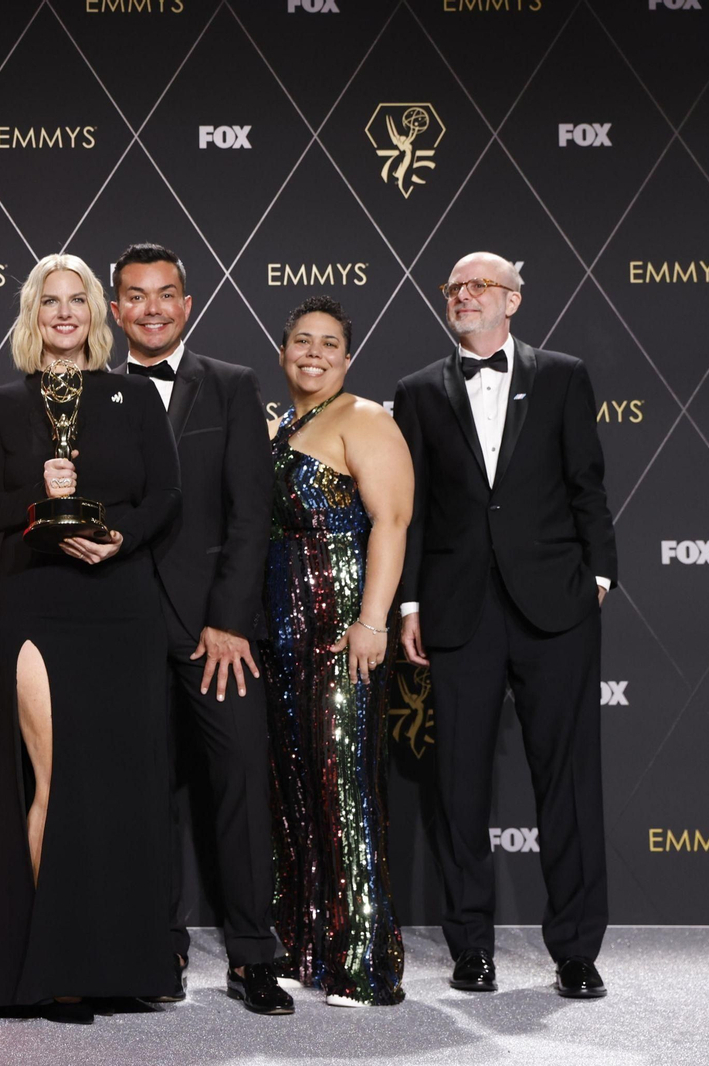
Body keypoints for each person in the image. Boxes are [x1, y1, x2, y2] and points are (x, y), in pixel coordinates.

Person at [0, 253, 181, 1024]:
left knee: (115, 789)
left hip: (120, 608)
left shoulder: (133, 396)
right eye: (49, 301)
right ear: (32, 314)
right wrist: (36, 499)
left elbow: (165, 495)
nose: (64, 313)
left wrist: (117, 536)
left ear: (97, 313)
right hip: (37, 604)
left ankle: (116, 963)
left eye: (77, 300)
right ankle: (52, 963)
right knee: (53, 779)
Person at [393, 252, 616, 1000]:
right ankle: (471, 948)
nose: (463, 296)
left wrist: (602, 574)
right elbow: (413, 508)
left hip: (556, 603)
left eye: (478, 286)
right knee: (459, 784)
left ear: (513, 300)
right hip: (458, 608)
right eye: (454, 287)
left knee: (570, 781)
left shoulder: (563, 374)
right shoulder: (418, 390)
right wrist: (411, 604)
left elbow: (588, 479)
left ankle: (578, 952)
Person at [108, 243, 291, 1015]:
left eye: (166, 295)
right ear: (115, 310)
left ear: (188, 304)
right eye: (136, 296)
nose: (152, 308)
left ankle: (254, 958)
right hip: (121, 628)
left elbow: (252, 516)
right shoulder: (92, 392)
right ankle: (159, 948)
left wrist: (227, 622)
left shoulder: (234, 386)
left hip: (219, 637)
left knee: (242, 788)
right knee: (143, 795)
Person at [260, 295, 413, 1008]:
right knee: (295, 790)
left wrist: (373, 620)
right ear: (283, 351)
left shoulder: (366, 419)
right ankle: (307, 943)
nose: (312, 353)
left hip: (341, 629)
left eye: (327, 344)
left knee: (344, 789)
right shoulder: (284, 424)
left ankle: (365, 963)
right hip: (283, 636)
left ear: (347, 358)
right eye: (301, 341)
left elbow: (391, 521)